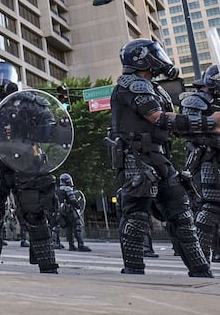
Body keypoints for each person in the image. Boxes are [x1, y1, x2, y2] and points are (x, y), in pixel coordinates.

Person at [108, 39, 215, 277]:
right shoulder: (132, 85)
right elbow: (159, 118)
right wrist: (210, 122)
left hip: (160, 157)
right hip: (136, 159)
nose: (160, 59)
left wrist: (204, 128)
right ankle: (134, 271)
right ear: (141, 59)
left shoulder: (154, 87)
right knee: (136, 216)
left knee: (182, 214)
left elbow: (172, 124)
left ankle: (200, 270)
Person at [0, 61, 59, 274]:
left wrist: (26, 127)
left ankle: (48, 266)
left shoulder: (31, 103)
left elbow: (50, 129)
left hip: (27, 163)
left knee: (35, 212)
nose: (0, 80)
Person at [179, 64, 220, 264]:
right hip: (206, 160)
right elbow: (188, 130)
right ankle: (201, 257)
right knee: (210, 207)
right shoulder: (195, 101)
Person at [56, 173, 91, 252]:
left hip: (62, 211)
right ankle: (80, 245)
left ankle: (71, 245)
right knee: (77, 226)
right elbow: (72, 199)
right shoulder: (68, 188)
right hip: (70, 210)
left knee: (68, 228)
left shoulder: (58, 190)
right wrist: (78, 206)